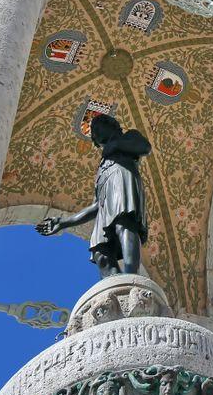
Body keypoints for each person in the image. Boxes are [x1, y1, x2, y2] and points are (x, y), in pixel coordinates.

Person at [36, 115, 150, 277]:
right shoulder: (101, 169)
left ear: (112, 126)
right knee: (99, 250)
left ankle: (132, 278)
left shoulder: (129, 136)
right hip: (104, 207)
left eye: (96, 128)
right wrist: (63, 222)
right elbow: (96, 205)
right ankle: (116, 286)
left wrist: (115, 145)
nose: (94, 134)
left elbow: (144, 147)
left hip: (123, 184)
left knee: (124, 224)